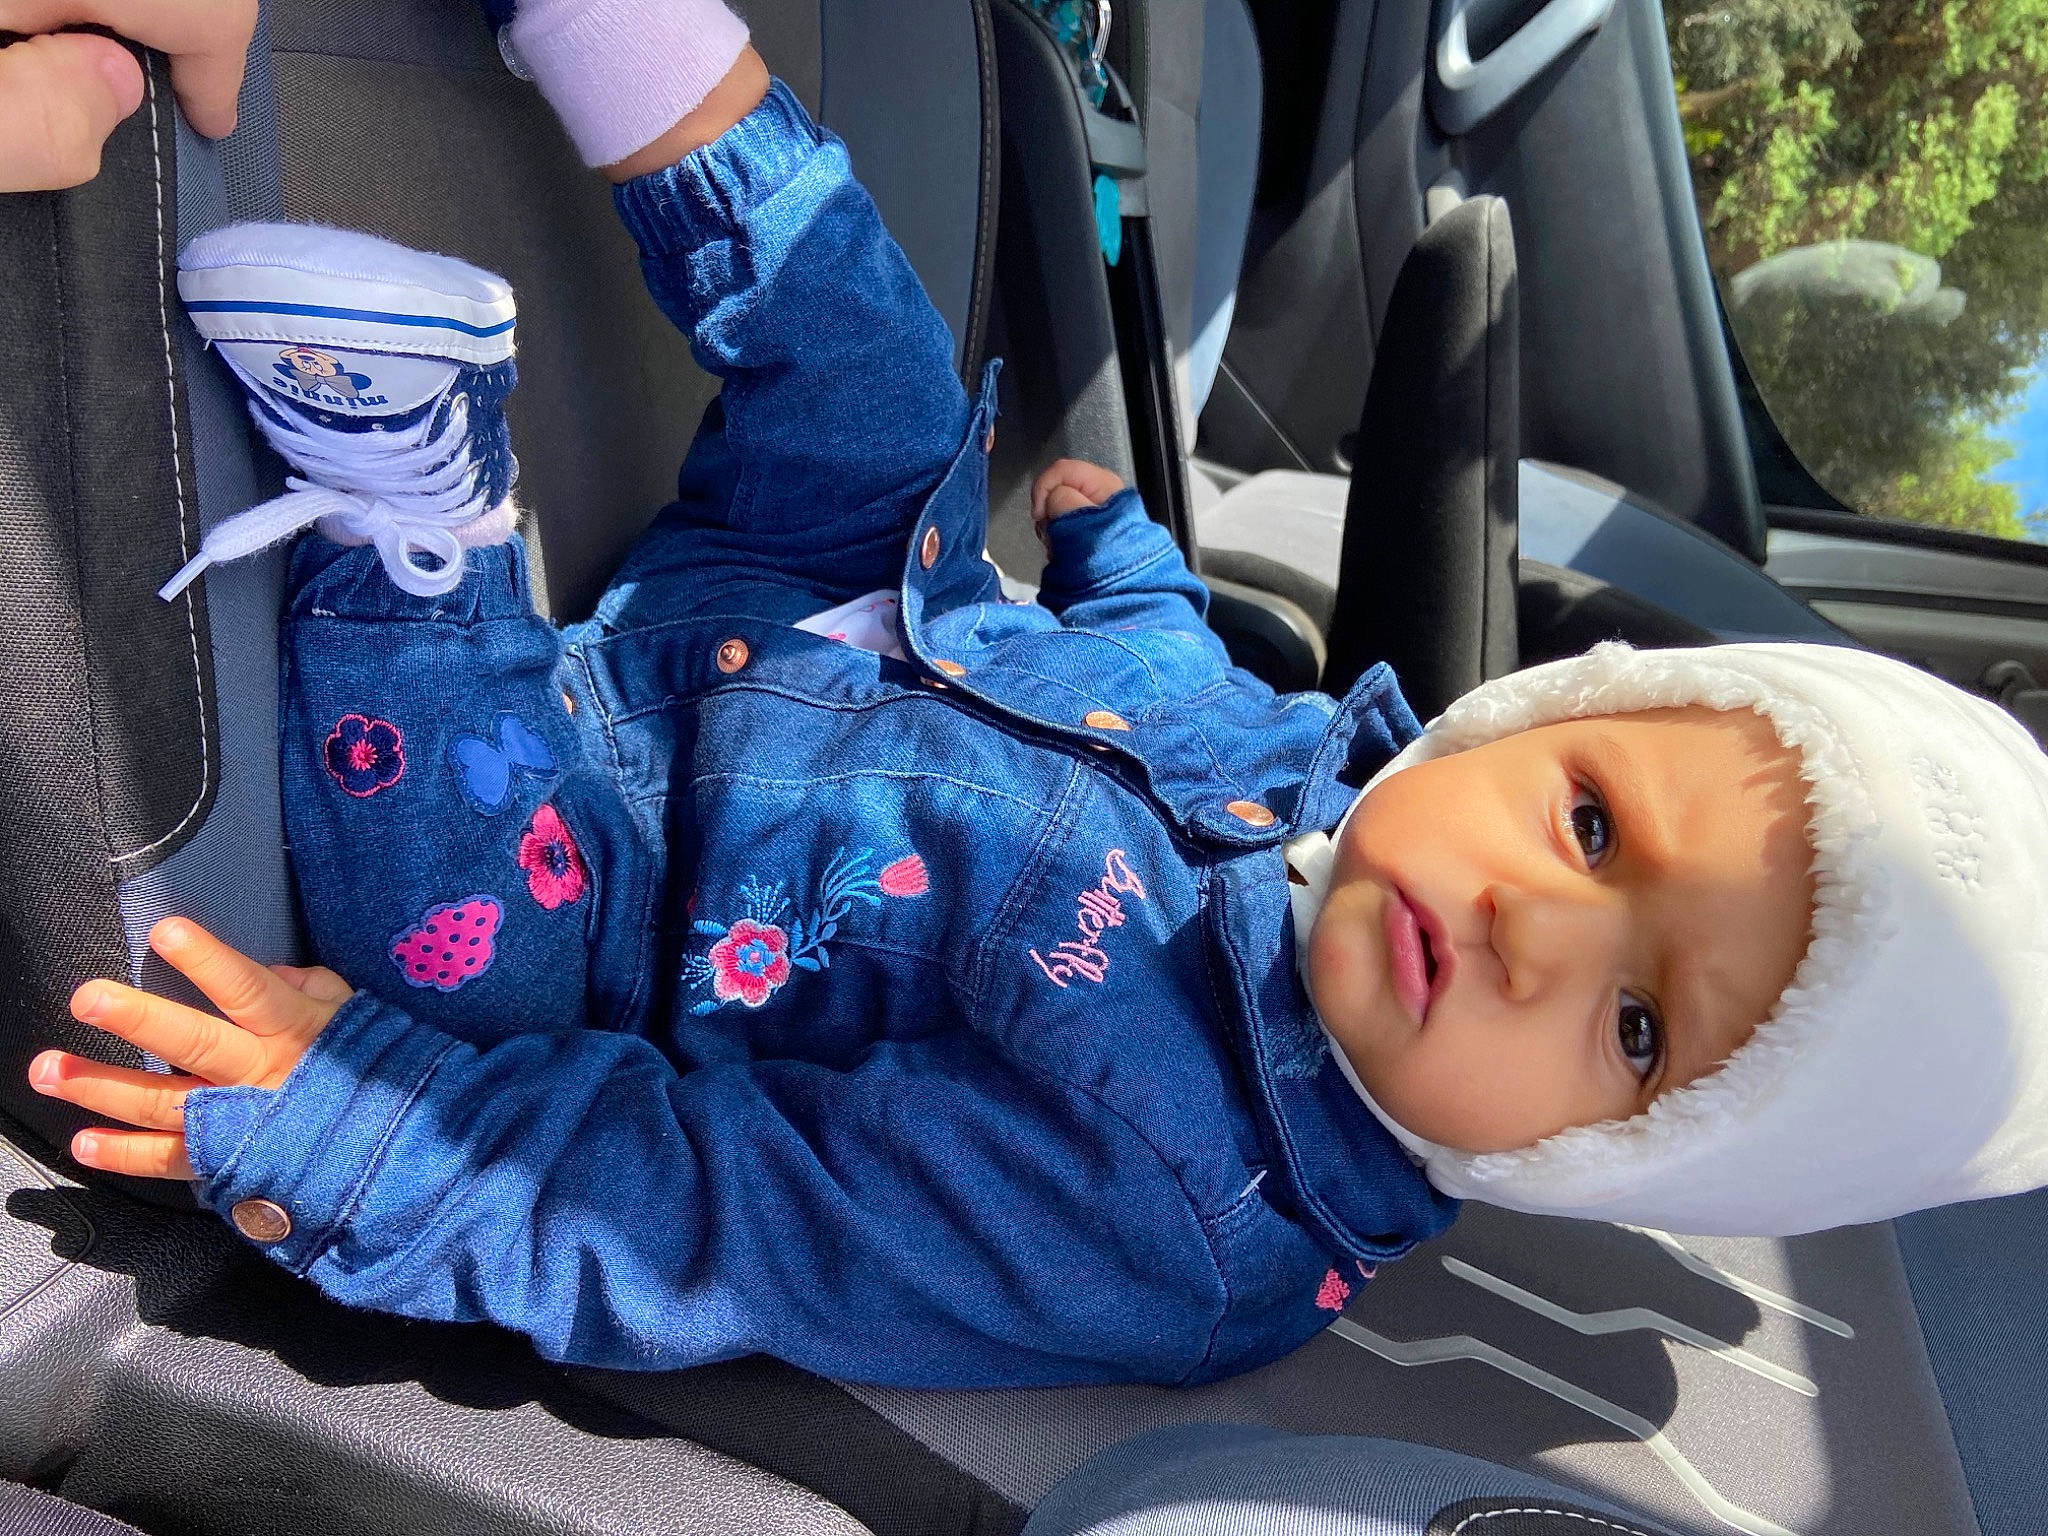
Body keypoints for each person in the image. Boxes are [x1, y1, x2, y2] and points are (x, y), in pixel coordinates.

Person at [23, 0, 2048, 1388]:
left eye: (1634, 1021)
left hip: (611, 872)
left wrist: (373, 1132)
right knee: (887, 390)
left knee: (462, 934)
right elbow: (1171, 688)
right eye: (1593, 819)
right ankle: (625, 38)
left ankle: (410, 519)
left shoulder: (1179, 1221)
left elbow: (735, 1216)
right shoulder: (1339, 788)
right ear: (1540, 723)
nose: (1533, 913)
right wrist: (1121, 565)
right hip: (814, 609)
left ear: (1621, 1165)